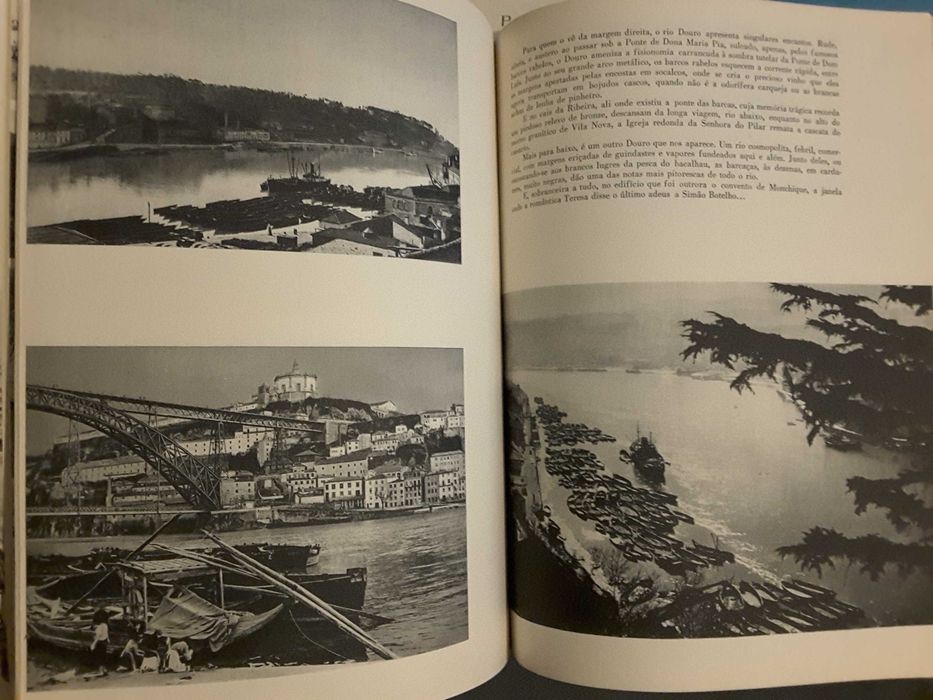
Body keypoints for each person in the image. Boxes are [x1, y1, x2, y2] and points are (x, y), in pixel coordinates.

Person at [89, 609, 110, 676]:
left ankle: (101, 671)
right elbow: (106, 633)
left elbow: (98, 636)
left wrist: (93, 644)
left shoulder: (99, 627)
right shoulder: (105, 625)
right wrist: (108, 639)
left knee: (99, 657)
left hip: (100, 643)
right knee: (104, 656)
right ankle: (105, 670)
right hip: (105, 642)